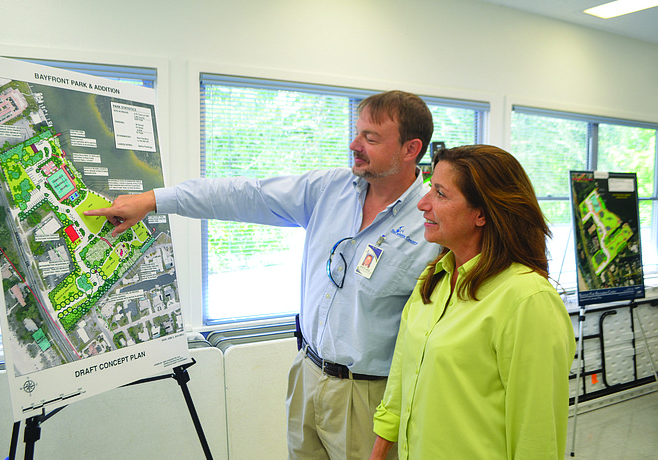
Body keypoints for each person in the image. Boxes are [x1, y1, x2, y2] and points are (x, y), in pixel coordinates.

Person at [84, 90, 440, 459]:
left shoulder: (430, 223)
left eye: (371, 138)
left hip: (368, 395)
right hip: (308, 373)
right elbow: (244, 195)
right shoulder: (330, 189)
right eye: (357, 132)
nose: (354, 144)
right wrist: (155, 200)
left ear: (410, 149)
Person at [369, 145, 576, 459]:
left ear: (482, 213)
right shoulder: (434, 278)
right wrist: (380, 449)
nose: (423, 204)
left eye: (440, 193)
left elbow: (537, 434)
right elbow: (401, 373)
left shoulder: (527, 300)